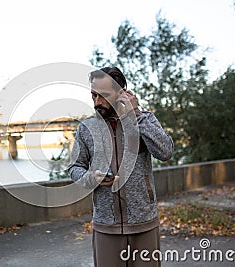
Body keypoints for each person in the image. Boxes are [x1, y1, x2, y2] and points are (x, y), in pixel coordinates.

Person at [68, 66, 174, 266]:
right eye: (93, 95)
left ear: (121, 92)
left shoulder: (145, 119)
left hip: (144, 223)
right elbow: (75, 167)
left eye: (103, 96)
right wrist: (92, 178)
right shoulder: (87, 128)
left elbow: (166, 152)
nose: (97, 102)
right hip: (106, 227)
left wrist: (136, 115)